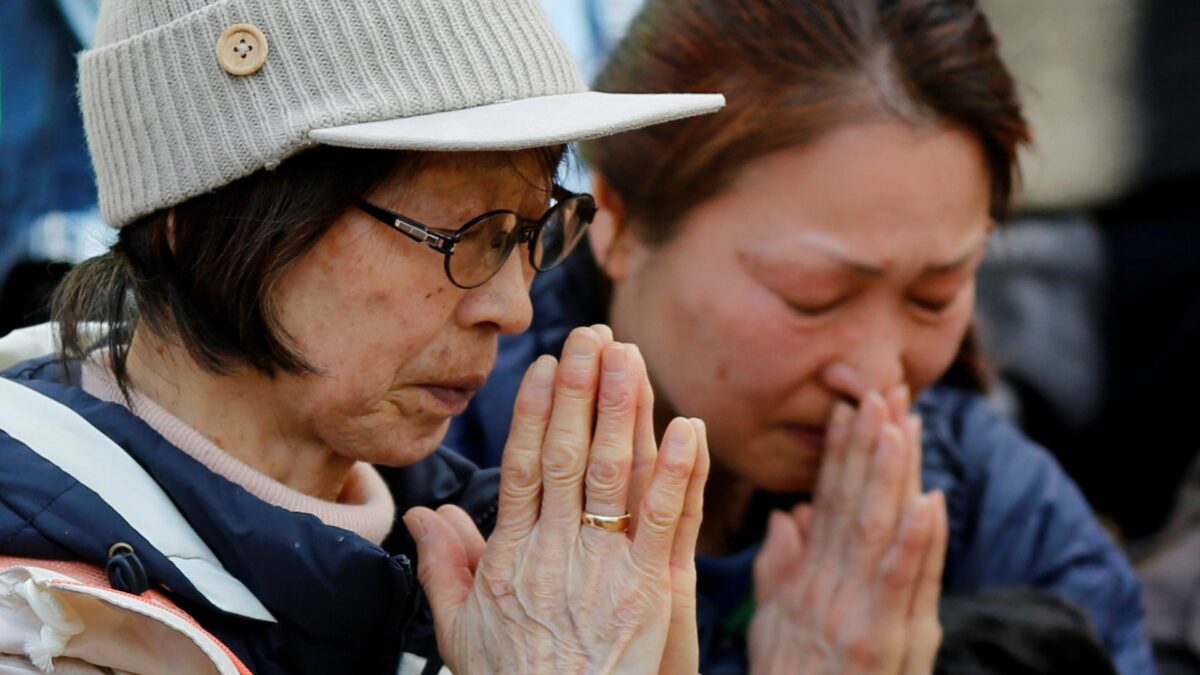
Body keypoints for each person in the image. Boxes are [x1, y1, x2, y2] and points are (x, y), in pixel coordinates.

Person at [0, 0, 728, 672]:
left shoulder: (496, 572)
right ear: (200, 224)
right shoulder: (36, 620)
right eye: (462, 234)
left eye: (529, 232)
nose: (513, 308)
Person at [446, 0, 1157, 673]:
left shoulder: (995, 509)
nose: (880, 375)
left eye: (935, 296)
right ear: (623, 226)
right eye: (812, 297)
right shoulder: (433, 475)